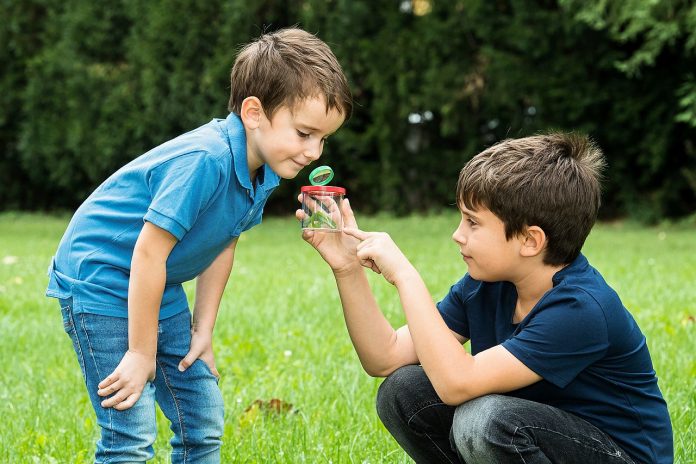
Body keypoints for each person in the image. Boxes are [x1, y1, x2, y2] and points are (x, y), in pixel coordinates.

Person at [46, 27, 351, 463]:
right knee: (130, 432)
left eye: (324, 138)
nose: (314, 152)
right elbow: (149, 250)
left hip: (155, 282)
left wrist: (202, 332)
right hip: (102, 279)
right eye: (304, 133)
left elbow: (223, 245)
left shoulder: (262, 170)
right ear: (254, 113)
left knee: (202, 418)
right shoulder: (205, 161)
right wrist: (139, 352)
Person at [297, 132, 673, 463]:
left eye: (473, 222)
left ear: (530, 240)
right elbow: (385, 357)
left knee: (483, 420)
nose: (458, 235)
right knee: (403, 391)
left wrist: (405, 276)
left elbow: (457, 383)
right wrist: (347, 268)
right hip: (532, 433)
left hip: (616, 454)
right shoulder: (487, 285)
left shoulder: (582, 309)